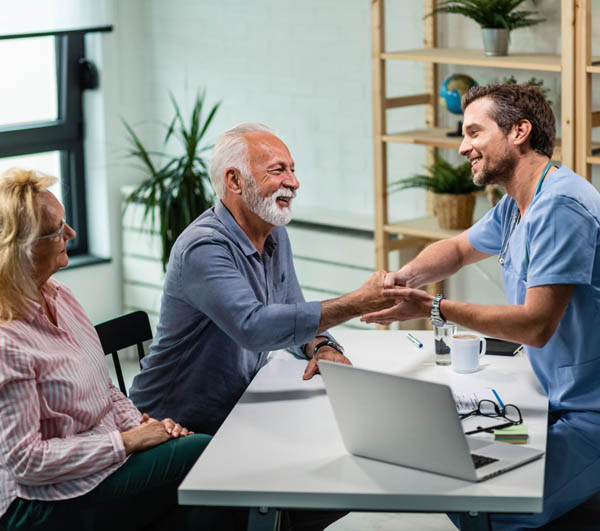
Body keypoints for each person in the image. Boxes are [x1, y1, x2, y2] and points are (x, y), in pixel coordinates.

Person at [362, 83, 600, 529]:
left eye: (473, 132)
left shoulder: (561, 206)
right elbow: (455, 249)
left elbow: (535, 325)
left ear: (519, 132)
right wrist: (402, 280)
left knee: (491, 512)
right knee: (455, 475)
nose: (462, 147)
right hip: (554, 397)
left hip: (591, 414)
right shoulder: (518, 204)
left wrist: (435, 307)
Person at [0, 168, 237, 530]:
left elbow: (105, 388)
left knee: (202, 491)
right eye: (57, 231)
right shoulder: (7, 340)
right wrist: (128, 441)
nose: (71, 234)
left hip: (96, 468)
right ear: (22, 249)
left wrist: (149, 428)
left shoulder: (62, 297)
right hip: (39, 502)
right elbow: (28, 462)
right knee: (205, 455)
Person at [129, 122, 402, 436]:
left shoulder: (274, 233)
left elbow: (294, 313)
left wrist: (323, 347)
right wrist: (358, 302)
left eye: (293, 169)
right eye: (278, 171)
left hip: (237, 409)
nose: (294, 182)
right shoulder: (203, 248)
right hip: (173, 428)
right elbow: (255, 327)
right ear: (235, 180)